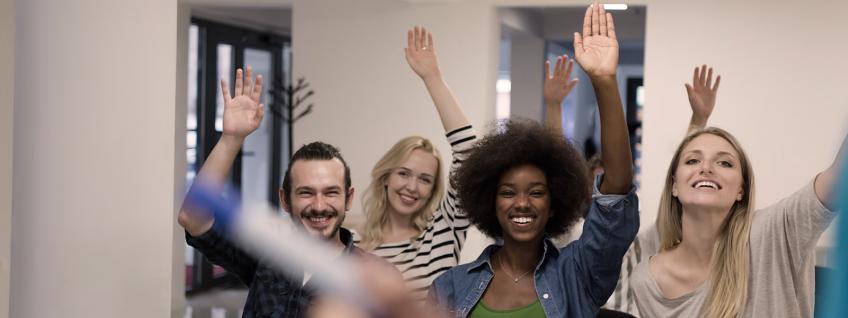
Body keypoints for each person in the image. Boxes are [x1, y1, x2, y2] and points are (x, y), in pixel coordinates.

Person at [429, 4, 639, 317]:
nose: (522, 203)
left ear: (554, 204)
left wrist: (604, 81)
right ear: (491, 202)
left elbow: (616, 191)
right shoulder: (449, 287)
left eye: (537, 192)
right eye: (508, 192)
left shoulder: (577, 274)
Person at [178, 66, 384, 317]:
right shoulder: (267, 255)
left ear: (348, 197)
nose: (319, 205)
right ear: (285, 199)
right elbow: (193, 217)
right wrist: (231, 139)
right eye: (306, 193)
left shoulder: (372, 276)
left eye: (330, 192)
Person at [629, 91, 841, 317]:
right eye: (693, 160)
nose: (706, 168)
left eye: (724, 163)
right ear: (674, 186)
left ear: (741, 189)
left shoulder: (775, 231)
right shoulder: (646, 281)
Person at [354, 26, 476, 301]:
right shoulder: (356, 248)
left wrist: (433, 79)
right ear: (386, 177)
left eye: (424, 179)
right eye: (404, 173)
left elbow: (469, 153)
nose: (412, 187)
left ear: (433, 189)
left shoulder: (443, 230)